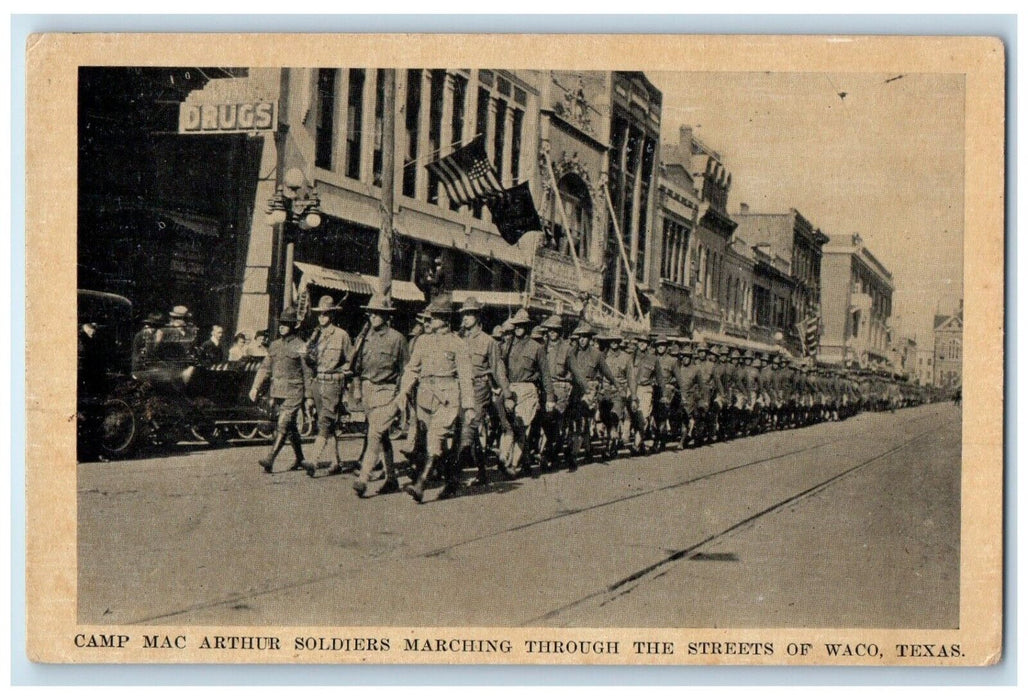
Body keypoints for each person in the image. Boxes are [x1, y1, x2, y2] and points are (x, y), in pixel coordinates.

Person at [393, 295, 475, 503]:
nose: (431, 319)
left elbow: (465, 377)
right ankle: (451, 480)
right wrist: (403, 392)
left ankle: (421, 484)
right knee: (431, 444)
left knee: (435, 439)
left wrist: (469, 406)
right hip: (424, 396)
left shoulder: (457, 344)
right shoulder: (422, 341)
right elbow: (412, 369)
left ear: (446, 319)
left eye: (436, 316)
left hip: (447, 397)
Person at [349, 294, 409, 497]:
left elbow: (405, 371)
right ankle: (392, 479)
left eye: (377, 313)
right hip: (368, 392)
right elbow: (355, 367)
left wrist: (401, 397)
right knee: (382, 437)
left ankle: (363, 478)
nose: (373, 316)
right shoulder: (364, 338)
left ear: (386, 316)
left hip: (388, 392)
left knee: (374, 434)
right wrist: (357, 388)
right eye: (371, 313)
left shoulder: (397, 339)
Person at [248, 307, 311, 473]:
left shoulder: (301, 346)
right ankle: (300, 459)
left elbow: (307, 373)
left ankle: (270, 459)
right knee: (290, 429)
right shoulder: (274, 346)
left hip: (294, 392)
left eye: (286, 324)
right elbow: (265, 369)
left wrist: (309, 396)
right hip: (277, 392)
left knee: (283, 424)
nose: (282, 327)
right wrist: (255, 386)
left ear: (293, 326)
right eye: (281, 324)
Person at [456, 297, 510, 486]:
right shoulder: (458, 340)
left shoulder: (489, 342)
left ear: (478, 316)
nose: (466, 318)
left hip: (479, 388)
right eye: (464, 314)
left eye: (470, 314)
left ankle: (453, 477)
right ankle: (482, 472)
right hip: (460, 389)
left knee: (469, 429)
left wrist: (507, 393)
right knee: (465, 430)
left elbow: (498, 369)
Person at [499, 308, 553, 476]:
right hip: (510, 389)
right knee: (508, 426)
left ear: (527, 327)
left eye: (522, 326)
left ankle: (514, 464)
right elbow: (499, 367)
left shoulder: (536, 348)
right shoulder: (507, 346)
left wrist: (550, 397)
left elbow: (545, 374)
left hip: (528, 390)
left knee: (521, 428)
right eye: (516, 326)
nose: (518, 329)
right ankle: (504, 457)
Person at [303, 295, 354, 476]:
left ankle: (313, 460)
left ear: (332, 316)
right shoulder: (315, 336)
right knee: (326, 424)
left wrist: (342, 373)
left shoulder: (342, 336)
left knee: (325, 421)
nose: (321, 318)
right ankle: (335, 462)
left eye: (325, 314)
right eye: (319, 314)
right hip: (318, 383)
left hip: (333, 383)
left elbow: (351, 361)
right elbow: (309, 366)